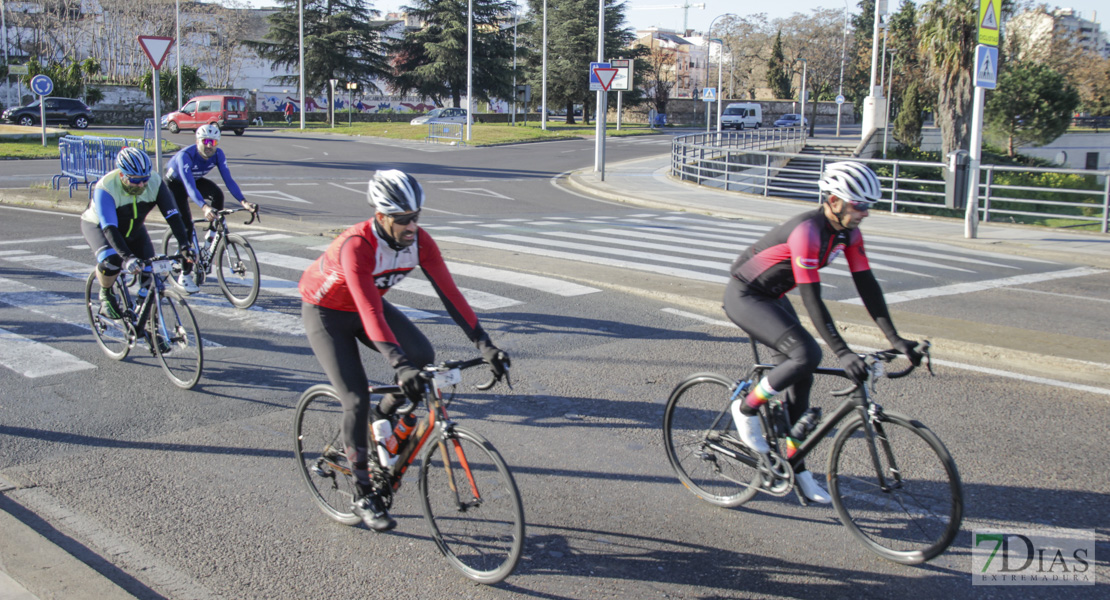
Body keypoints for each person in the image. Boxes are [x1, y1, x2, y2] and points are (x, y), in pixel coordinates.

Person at [299, 169, 510, 532]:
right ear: (381, 216)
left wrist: (485, 344)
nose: (412, 226)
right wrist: (398, 365)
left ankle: (379, 420)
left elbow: (451, 294)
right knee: (354, 398)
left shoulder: (421, 242)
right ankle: (364, 493)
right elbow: (368, 311)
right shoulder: (357, 245)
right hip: (327, 313)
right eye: (403, 220)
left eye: (417, 217)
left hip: (368, 308)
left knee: (423, 358)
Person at [723, 161, 922, 505]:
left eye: (868, 206)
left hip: (773, 296)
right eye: (859, 205)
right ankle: (746, 407)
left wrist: (896, 339)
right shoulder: (807, 232)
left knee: (804, 377)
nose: (866, 213)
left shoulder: (848, 233)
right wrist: (843, 352)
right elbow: (812, 299)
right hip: (745, 295)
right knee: (808, 355)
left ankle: (795, 468)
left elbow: (867, 286)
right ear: (833, 201)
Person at [80, 147, 194, 332]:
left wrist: (184, 245)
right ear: (122, 175)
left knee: (152, 276)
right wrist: (128, 258)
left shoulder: (154, 182)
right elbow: (109, 228)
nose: (141, 185)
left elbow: (173, 216)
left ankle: (151, 328)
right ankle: (106, 292)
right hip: (100, 227)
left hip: (134, 229)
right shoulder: (105, 187)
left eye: (144, 180)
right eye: (135, 180)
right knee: (112, 261)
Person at [164, 124, 258, 292]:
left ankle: (211, 235)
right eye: (205, 141)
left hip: (195, 179)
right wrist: (204, 207)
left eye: (213, 142)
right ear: (198, 141)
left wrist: (243, 202)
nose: (209, 146)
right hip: (176, 184)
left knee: (217, 194)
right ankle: (184, 275)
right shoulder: (186, 156)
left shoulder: (218, 154)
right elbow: (189, 186)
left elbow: (228, 180)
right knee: (186, 226)